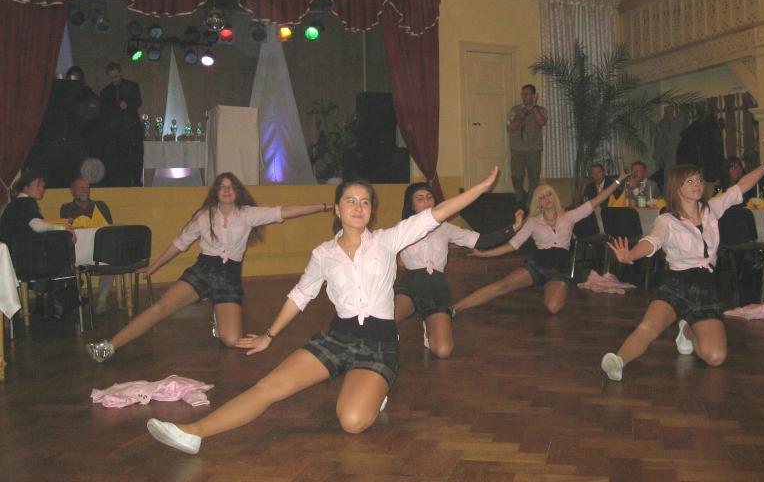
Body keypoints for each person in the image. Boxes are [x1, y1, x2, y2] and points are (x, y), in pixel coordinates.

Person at [146, 168, 501, 454]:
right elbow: (300, 294)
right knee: (270, 386)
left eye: (365, 202)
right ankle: (193, 432)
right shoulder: (323, 254)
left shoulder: (388, 240)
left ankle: (375, 389)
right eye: (350, 201)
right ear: (337, 209)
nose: (358, 207)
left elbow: (437, 214)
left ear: (371, 210)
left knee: (352, 422)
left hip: (379, 345)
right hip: (337, 337)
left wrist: (480, 189)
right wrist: (270, 335)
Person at [85, 172, 328, 362]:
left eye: (231, 186)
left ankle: (218, 318)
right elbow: (179, 244)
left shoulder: (248, 214)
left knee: (231, 340)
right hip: (203, 271)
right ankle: (109, 346)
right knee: (160, 308)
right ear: (215, 193)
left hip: (229, 278)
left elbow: (285, 211)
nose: (226, 190)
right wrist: (154, 268)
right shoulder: (204, 216)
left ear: (237, 192)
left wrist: (325, 206)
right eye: (222, 187)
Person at [600, 134, 764, 382]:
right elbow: (651, 241)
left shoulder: (711, 210)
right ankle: (618, 361)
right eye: (690, 181)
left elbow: (742, 186)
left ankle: (686, 329)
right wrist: (631, 254)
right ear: (677, 187)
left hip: (706, 289)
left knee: (716, 357)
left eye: (698, 180)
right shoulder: (666, 221)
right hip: (676, 284)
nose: (697, 184)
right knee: (649, 327)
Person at [453, 161, 629, 317]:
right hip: (537, 266)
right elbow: (512, 245)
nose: (547, 199)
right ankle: (453, 308)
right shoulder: (533, 222)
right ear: (538, 203)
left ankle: (551, 287)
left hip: (559, 270)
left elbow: (597, 199)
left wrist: (619, 180)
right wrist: (485, 254)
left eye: (549, 194)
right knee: (501, 286)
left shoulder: (569, 216)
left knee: (553, 307)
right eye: (542, 197)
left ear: (554, 196)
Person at [394, 182, 524, 358]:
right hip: (410, 286)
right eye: (420, 198)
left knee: (443, 350)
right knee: (385, 320)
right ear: (411, 204)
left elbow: (482, 241)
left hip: (437, 289)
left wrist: (514, 227)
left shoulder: (445, 227)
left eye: (429, 197)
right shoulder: (403, 227)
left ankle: (429, 325)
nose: (426, 201)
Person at [0, 172, 76, 317]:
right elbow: (37, 226)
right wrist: (63, 229)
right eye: (38, 185)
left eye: (43, 186)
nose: (42, 189)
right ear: (25, 187)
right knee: (65, 260)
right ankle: (55, 296)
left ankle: (43, 294)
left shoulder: (15, 205)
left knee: (55, 258)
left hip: (14, 258)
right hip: (23, 260)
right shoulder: (25, 202)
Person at [60, 177, 114, 313]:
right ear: (72, 191)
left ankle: (102, 299)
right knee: (66, 262)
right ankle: (77, 299)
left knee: (110, 259)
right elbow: (66, 232)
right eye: (81, 188)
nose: (85, 191)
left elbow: (109, 230)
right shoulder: (66, 208)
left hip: (100, 250)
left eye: (87, 188)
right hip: (78, 251)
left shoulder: (100, 206)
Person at [99, 62, 143, 187]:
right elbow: (104, 111)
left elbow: (138, 101)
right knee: (118, 160)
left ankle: (136, 182)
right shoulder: (105, 92)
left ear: (120, 73)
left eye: (116, 76)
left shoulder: (132, 86)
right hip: (115, 132)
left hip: (131, 129)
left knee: (135, 158)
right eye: (111, 77)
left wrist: (128, 105)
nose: (114, 79)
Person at [507, 84, 547, 210]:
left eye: (526, 94)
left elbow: (541, 122)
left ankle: (529, 206)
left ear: (533, 95)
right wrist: (519, 116)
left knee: (534, 179)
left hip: (534, 150)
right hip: (517, 149)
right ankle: (519, 197)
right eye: (522, 94)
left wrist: (533, 108)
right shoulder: (515, 110)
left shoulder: (540, 109)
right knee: (516, 176)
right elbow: (510, 128)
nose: (523, 96)